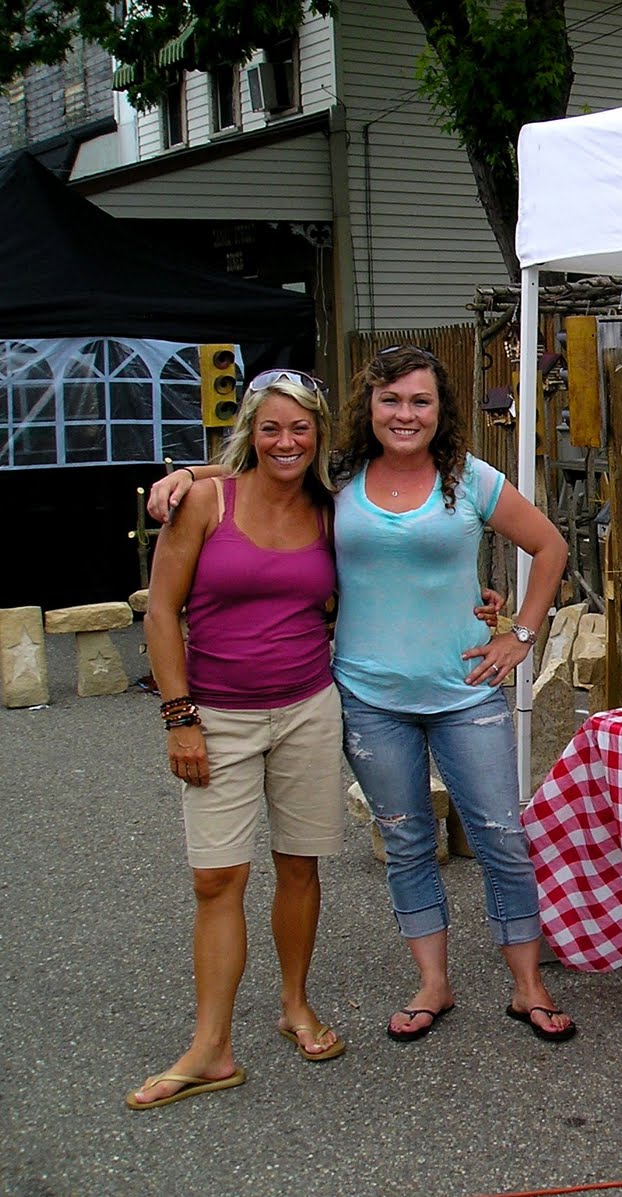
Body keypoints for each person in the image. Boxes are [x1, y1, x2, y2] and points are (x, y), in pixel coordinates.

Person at [151, 345, 575, 1045]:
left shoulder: (468, 478)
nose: (404, 414)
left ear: (441, 413)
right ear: (367, 408)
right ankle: (432, 982)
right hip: (368, 694)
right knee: (407, 839)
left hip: (464, 689)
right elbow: (260, 466)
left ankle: (527, 983)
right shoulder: (338, 475)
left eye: (419, 402)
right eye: (390, 400)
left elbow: (551, 545)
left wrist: (518, 633)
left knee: (502, 835)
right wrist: (187, 475)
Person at [129, 370, 345, 1111]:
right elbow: (161, 611)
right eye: (271, 427)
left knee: (299, 865)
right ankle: (210, 1045)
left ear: (318, 434)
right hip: (215, 712)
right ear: (250, 431)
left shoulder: (327, 508)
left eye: (300, 428)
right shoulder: (205, 501)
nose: (285, 441)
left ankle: (293, 1004)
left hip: (308, 707)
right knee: (216, 878)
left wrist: (484, 609)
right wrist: (178, 714)